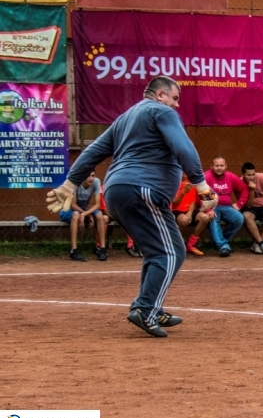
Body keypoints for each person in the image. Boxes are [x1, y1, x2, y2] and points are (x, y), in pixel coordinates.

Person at [45, 75, 217, 338]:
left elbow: (93, 152)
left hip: (117, 192)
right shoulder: (160, 111)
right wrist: (202, 186)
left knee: (156, 251)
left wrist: (69, 185)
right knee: (172, 253)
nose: (177, 105)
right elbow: (184, 147)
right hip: (143, 189)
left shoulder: (125, 118)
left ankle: (151, 306)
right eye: (175, 98)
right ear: (160, 95)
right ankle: (146, 309)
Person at [58, 170, 108, 261]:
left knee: (100, 215)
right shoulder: (75, 183)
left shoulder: (96, 182)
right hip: (68, 210)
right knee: (76, 214)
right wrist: (87, 215)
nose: (91, 178)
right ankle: (74, 251)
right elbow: (73, 205)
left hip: (83, 211)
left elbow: (97, 204)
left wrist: (85, 214)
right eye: (88, 176)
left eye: (93, 176)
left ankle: (102, 249)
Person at [205, 156, 249, 257]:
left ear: (225, 166)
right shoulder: (206, 176)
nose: (219, 168)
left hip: (226, 207)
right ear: (211, 166)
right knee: (213, 219)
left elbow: (244, 189)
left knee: (239, 218)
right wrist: (208, 210)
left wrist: (239, 204)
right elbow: (199, 193)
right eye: (216, 165)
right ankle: (223, 245)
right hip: (212, 207)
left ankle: (222, 243)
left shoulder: (230, 176)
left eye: (221, 165)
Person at [172, 173, 212, 256]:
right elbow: (174, 204)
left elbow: (193, 202)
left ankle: (191, 245)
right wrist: (183, 192)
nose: (184, 174)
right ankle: (176, 245)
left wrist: (190, 213)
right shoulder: (173, 182)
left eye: (186, 171)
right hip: (176, 210)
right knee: (184, 220)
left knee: (205, 218)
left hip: (189, 210)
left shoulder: (192, 183)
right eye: (182, 171)